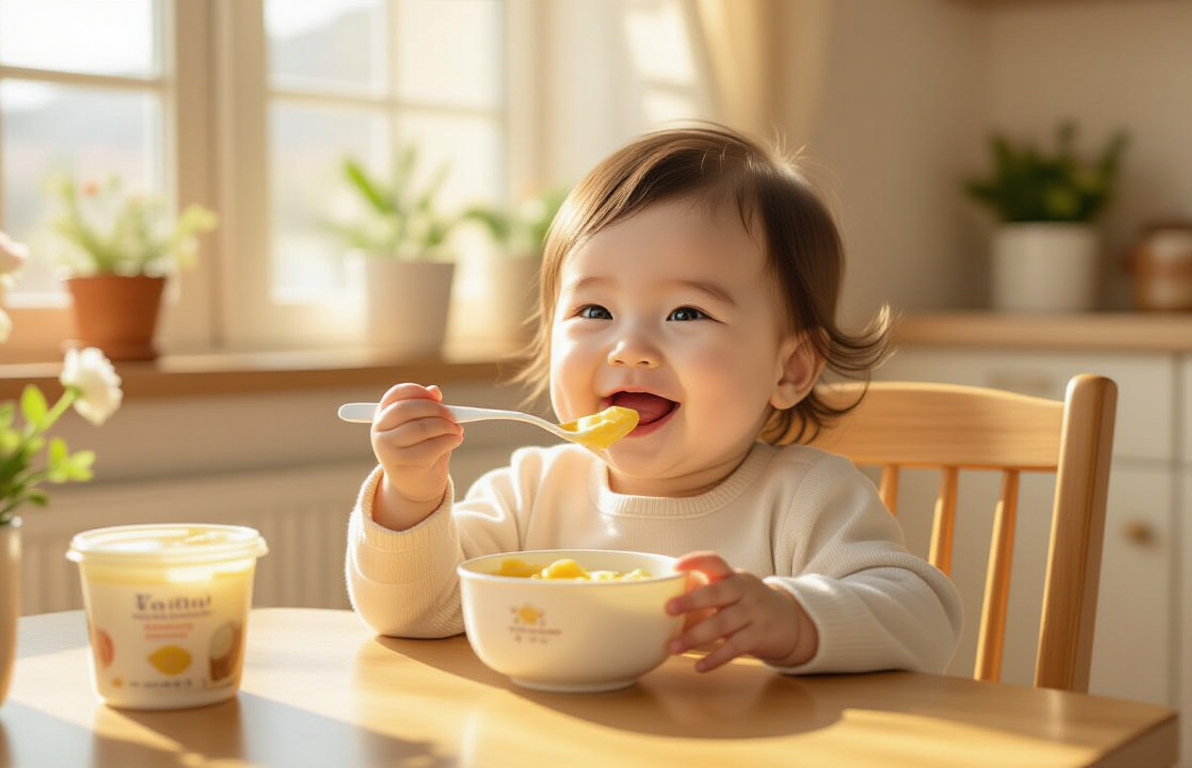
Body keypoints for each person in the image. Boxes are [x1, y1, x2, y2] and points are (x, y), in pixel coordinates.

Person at [346, 123, 962, 675]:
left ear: (791, 368)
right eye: (595, 310)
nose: (629, 349)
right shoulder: (531, 494)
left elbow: (925, 620)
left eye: (686, 312)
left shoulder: (808, 499)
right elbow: (415, 613)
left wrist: (793, 617)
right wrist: (411, 497)